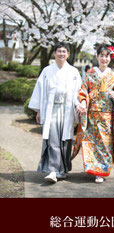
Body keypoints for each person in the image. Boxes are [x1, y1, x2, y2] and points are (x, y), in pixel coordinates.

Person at [28, 42, 82, 183]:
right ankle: (52, 170)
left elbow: (79, 92)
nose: (61, 54)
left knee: (65, 140)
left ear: (68, 54)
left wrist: (80, 105)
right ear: (54, 53)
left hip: (67, 109)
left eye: (64, 51)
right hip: (52, 109)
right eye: (59, 51)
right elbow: (40, 92)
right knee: (52, 139)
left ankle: (62, 170)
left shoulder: (74, 72)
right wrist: (39, 110)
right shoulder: (47, 71)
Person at [73, 44, 114, 183]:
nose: (104, 59)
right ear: (97, 57)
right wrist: (83, 102)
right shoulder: (89, 73)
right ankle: (93, 168)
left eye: (106, 56)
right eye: (101, 56)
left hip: (107, 115)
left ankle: (101, 171)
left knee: (105, 144)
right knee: (91, 142)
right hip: (92, 114)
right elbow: (83, 90)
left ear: (110, 58)